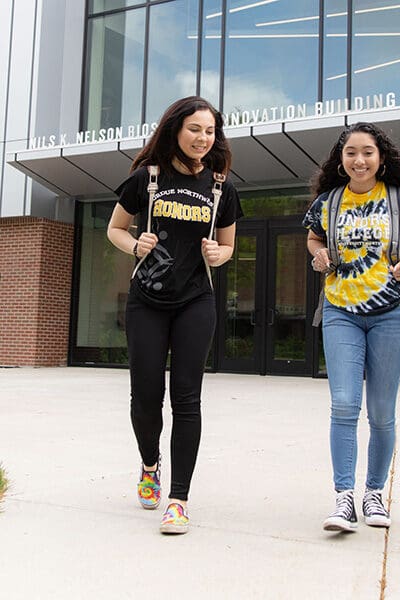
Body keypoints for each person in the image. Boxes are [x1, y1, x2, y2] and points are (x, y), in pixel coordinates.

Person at [107, 96, 242, 534]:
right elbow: (114, 229)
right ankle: (150, 465)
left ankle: (179, 499)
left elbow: (227, 248)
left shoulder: (221, 187)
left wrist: (218, 254)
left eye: (210, 132)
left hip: (195, 300)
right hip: (146, 299)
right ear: (175, 130)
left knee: (187, 398)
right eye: (195, 129)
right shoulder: (146, 178)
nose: (204, 138)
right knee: (146, 397)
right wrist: (135, 245)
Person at [302, 122, 400, 532]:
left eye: (367, 152)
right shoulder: (328, 203)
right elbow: (314, 239)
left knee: (382, 412)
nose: (359, 160)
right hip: (340, 310)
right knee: (345, 405)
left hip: (392, 313)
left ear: (381, 158)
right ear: (341, 159)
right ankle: (344, 498)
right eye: (351, 152)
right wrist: (318, 257)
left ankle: (374, 494)